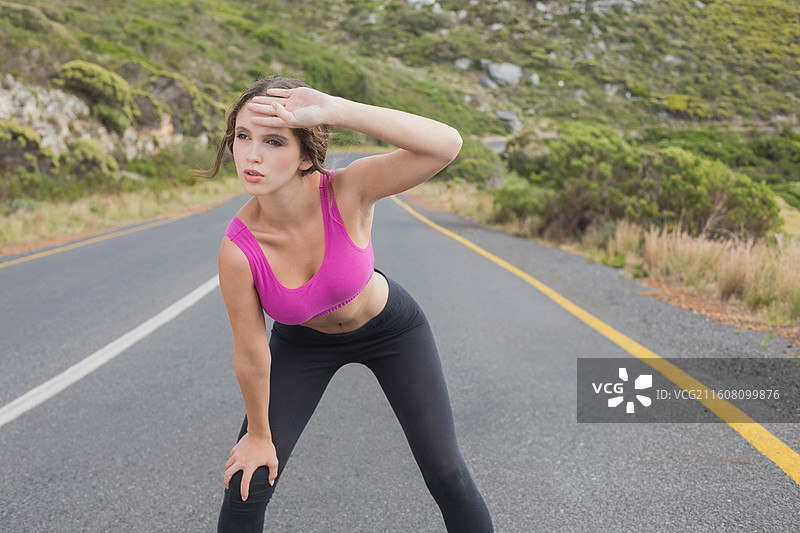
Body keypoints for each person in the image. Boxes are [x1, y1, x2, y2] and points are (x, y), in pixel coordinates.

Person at [205, 76, 493, 532]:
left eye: (273, 141)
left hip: (391, 330)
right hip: (303, 346)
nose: (251, 155)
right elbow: (252, 352)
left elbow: (445, 145)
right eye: (243, 136)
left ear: (305, 156)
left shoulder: (348, 189)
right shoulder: (239, 249)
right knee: (247, 483)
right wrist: (259, 436)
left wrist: (335, 109)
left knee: (447, 474)